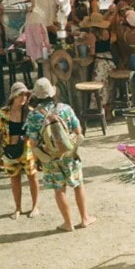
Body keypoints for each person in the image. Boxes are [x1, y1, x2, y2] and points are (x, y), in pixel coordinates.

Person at [25, 78, 92, 232]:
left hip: (50, 158)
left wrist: (39, 160)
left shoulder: (33, 116)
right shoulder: (65, 109)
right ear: (52, 92)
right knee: (78, 185)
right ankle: (85, 219)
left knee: (59, 189)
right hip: (70, 154)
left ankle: (68, 224)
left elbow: (33, 143)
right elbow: (78, 132)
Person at [0, 82, 40, 221]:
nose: (23, 97)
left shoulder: (30, 112)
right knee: (14, 178)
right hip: (9, 151)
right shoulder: (3, 113)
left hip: (27, 150)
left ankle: (35, 206)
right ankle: (18, 208)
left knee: (32, 177)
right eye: (20, 94)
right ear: (13, 97)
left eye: (25, 94)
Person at [79, 11, 114, 110]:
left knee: (101, 87)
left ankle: (102, 110)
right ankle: (109, 110)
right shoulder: (106, 32)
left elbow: (93, 52)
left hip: (100, 62)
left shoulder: (92, 35)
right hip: (109, 59)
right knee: (109, 86)